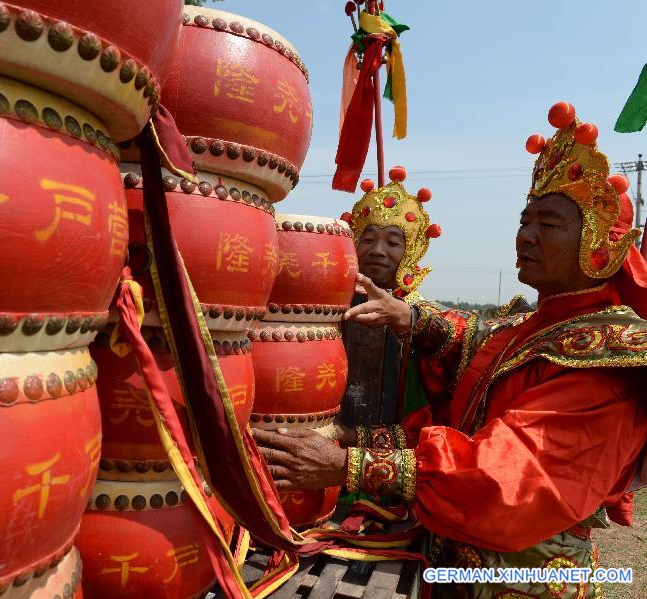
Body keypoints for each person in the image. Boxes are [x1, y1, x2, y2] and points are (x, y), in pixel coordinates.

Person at [255, 102, 647, 598]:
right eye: (525, 220)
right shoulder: (537, 325)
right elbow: (478, 353)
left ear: (598, 245)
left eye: (547, 225)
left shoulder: (609, 356)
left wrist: (348, 463)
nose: (525, 235)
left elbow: (509, 479)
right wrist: (413, 322)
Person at [340, 170, 441, 427]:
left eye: (393, 243)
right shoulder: (331, 303)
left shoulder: (421, 318)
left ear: (410, 252)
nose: (377, 250)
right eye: (369, 239)